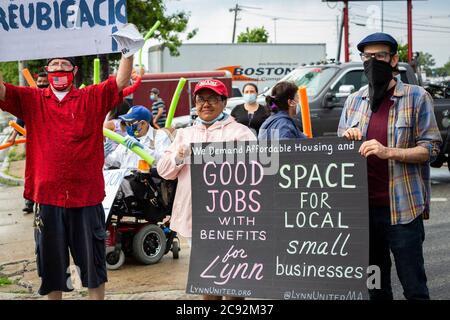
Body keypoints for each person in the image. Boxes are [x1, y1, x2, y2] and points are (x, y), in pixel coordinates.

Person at [0, 53, 134, 300]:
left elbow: (121, 81)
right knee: (52, 267)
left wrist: (128, 52)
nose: (59, 67)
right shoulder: (32, 99)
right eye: (54, 64)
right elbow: (2, 92)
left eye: (65, 64)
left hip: (86, 198)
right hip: (47, 198)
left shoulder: (90, 97)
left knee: (94, 265)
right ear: (47, 70)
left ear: (74, 71)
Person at [337, 32, 442, 300]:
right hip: (363, 214)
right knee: (375, 286)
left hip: (403, 211)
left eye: (380, 56)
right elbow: (339, 151)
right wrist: (347, 139)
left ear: (394, 59)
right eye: (367, 57)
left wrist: (388, 152)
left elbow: (431, 149)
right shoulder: (354, 101)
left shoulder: (417, 97)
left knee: (414, 286)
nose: (373, 62)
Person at [157, 79, 256, 300]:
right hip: (196, 219)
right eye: (201, 99)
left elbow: (255, 173)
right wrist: (179, 156)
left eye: (212, 98)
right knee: (207, 279)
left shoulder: (241, 133)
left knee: (234, 279)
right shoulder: (185, 134)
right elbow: (164, 171)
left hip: (234, 219)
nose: (206, 104)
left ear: (223, 102)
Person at [7, 71, 49, 214]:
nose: (42, 85)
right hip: (35, 143)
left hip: (53, 144)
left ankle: (47, 202)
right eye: (40, 82)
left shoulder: (55, 99)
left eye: (45, 82)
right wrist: (13, 135)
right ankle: (30, 201)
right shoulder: (32, 100)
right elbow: (21, 118)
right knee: (34, 171)